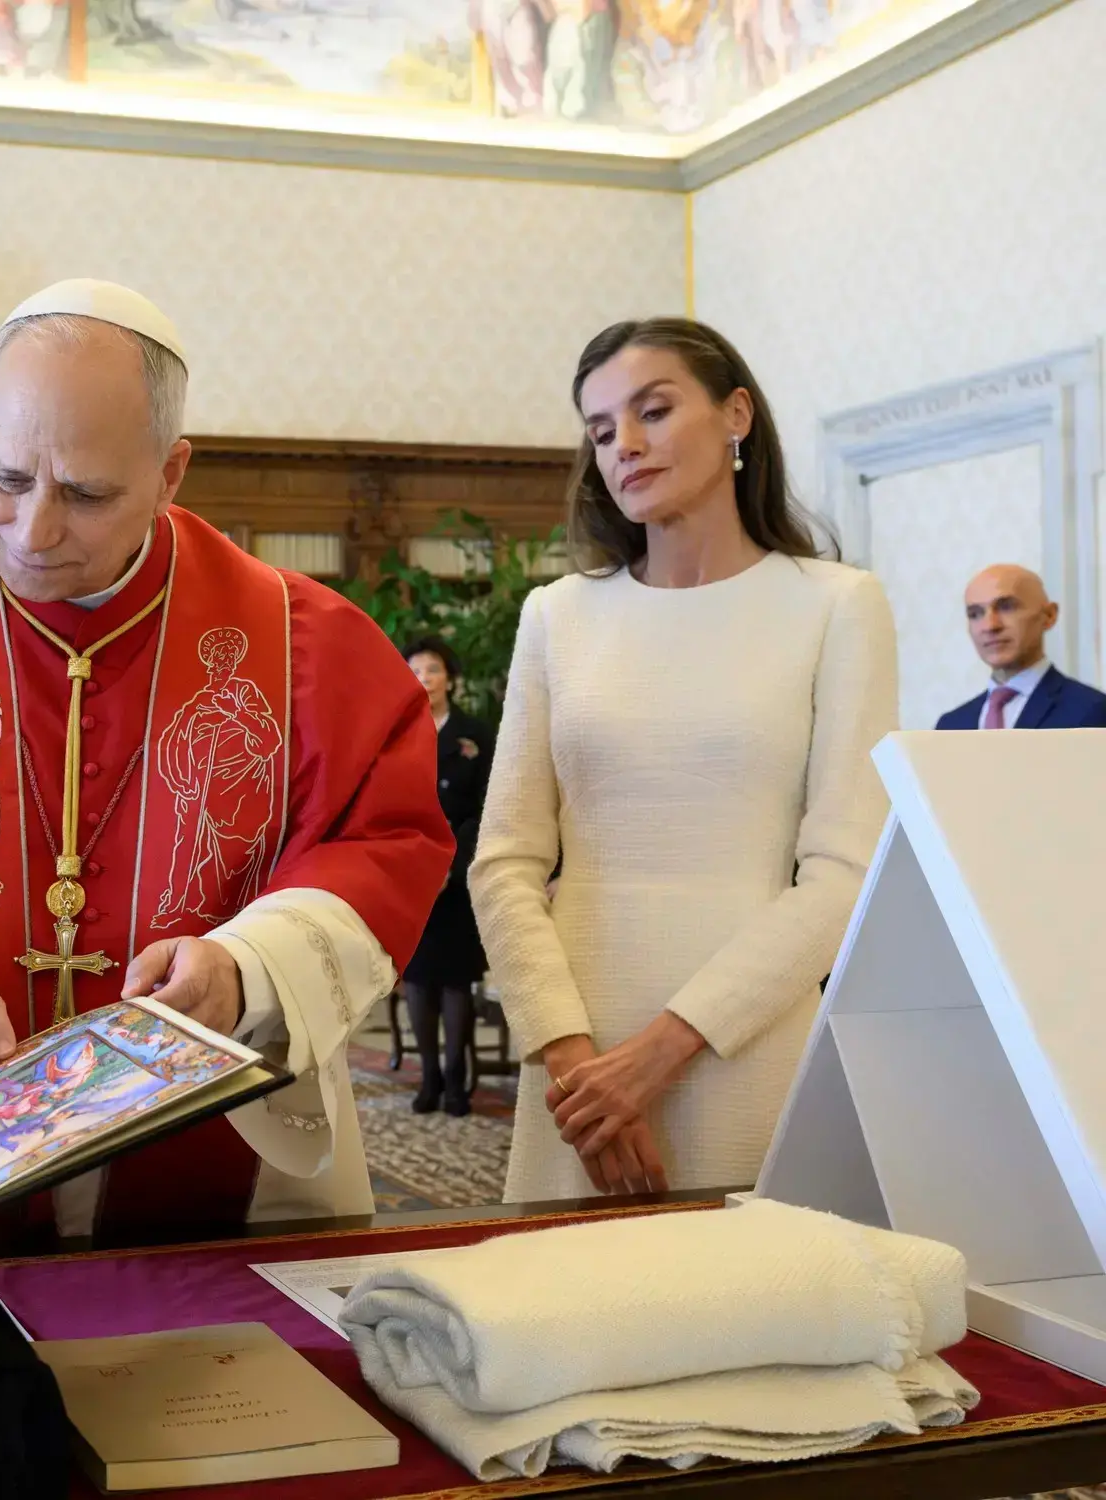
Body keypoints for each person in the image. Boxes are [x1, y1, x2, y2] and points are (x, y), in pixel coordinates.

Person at [0, 279, 451, 1240]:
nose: (34, 532)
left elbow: (381, 840)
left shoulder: (308, 650)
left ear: (171, 472)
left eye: (83, 494)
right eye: (5, 479)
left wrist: (246, 969)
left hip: (224, 1170)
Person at [470, 316, 896, 1203]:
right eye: (599, 430)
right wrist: (576, 1061)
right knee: (571, 1320)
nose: (622, 445)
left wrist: (661, 1054)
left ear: (736, 414)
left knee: (751, 1317)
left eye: (652, 412)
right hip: (576, 1063)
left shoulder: (836, 606)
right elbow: (504, 862)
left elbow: (843, 874)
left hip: (749, 1039)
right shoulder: (558, 615)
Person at [401, 638, 491, 1117]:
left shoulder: (475, 734)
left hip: (458, 879)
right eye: (414, 671)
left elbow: (484, 808)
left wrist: (453, 868)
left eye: (432, 670)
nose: (424, 679)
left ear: (449, 678)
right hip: (413, 878)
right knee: (418, 980)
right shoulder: (396, 733)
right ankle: (428, 1079)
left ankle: (457, 1082)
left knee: (455, 981)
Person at [935, 564, 1106, 730]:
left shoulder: (1092, 711)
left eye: (1006, 607)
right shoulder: (951, 725)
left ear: (1048, 615)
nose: (990, 626)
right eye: (975, 614)